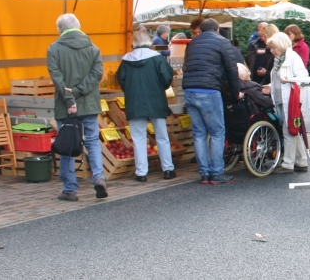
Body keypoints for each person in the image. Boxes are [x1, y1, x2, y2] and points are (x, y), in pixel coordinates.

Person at [46, 14, 108, 201]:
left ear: (60, 29)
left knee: (67, 144)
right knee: (92, 141)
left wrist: (69, 97)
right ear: (78, 26)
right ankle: (98, 176)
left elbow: (57, 78)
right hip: (89, 104)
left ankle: (70, 189)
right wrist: (79, 91)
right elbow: (97, 74)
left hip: (65, 107)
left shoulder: (53, 49)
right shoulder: (93, 48)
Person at [182, 18, 240, 185]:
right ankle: (217, 172)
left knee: (199, 133)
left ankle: (204, 173)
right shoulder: (222, 42)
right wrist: (235, 93)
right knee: (217, 132)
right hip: (209, 91)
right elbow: (232, 69)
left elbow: (186, 66)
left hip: (189, 91)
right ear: (217, 29)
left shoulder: (192, 43)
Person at [116, 30, 176, 182]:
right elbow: (167, 77)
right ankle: (168, 169)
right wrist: (159, 88)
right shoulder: (157, 59)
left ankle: (141, 172)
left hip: (135, 102)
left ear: (134, 43)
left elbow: (121, 80)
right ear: (148, 41)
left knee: (138, 138)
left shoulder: (126, 61)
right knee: (162, 137)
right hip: (156, 101)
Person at [262, 32, 310, 174]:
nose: (271, 50)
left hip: (291, 100)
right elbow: (277, 79)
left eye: (273, 47)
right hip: (282, 98)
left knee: (289, 130)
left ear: (280, 45)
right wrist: (270, 85)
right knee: (293, 130)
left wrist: (290, 80)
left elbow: (303, 77)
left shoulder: (292, 58)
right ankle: (301, 161)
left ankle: (288, 163)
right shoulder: (280, 58)